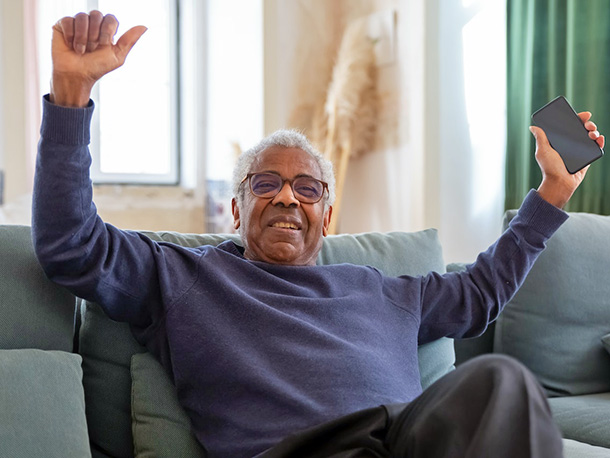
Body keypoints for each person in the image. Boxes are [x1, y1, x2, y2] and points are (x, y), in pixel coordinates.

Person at [32, 11, 604, 458]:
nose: (286, 197)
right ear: (237, 208)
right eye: (266, 184)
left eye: (308, 189)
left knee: (502, 381)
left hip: (405, 441)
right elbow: (73, 246)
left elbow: (480, 293)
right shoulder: (184, 275)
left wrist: (553, 193)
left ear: (327, 218)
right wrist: (70, 96)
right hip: (296, 453)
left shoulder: (384, 290)